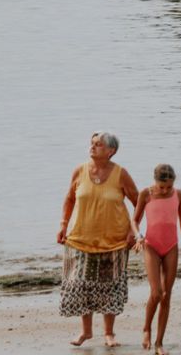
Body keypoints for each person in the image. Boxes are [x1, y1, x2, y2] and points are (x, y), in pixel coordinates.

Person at [58, 131, 140, 348]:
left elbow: (139, 202)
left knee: (109, 286)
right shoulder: (79, 170)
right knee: (81, 285)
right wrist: (63, 225)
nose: (92, 147)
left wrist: (133, 231)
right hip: (80, 238)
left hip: (114, 240)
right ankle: (86, 332)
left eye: (98, 144)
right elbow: (69, 198)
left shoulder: (121, 174)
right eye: (92, 143)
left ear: (111, 151)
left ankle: (109, 333)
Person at [131, 163, 181, 355]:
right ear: (155, 182)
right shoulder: (146, 194)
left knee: (167, 295)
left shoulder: (179, 195)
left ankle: (159, 343)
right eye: (162, 187)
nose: (166, 190)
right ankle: (146, 328)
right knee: (156, 293)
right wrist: (138, 236)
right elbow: (134, 220)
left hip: (171, 246)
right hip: (151, 245)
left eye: (169, 186)